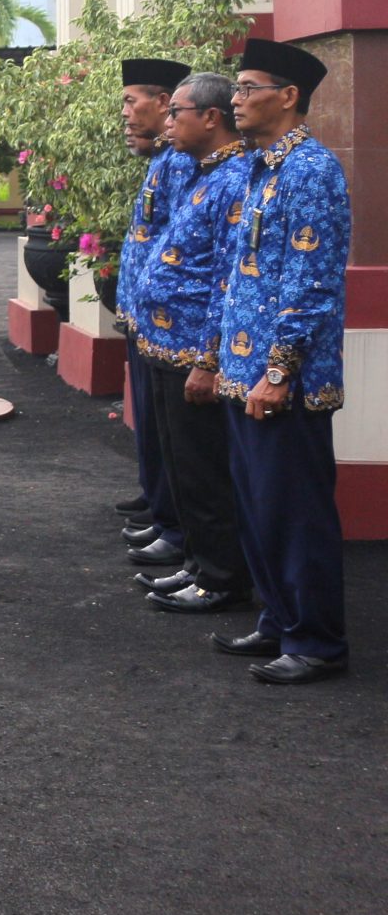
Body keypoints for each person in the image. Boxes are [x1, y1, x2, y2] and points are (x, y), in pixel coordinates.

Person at [209, 38, 351, 685]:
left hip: (284, 382)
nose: (235, 99)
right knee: (260, 509)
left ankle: (316, 641)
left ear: (288, 96)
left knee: (295, 514)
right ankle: (279, 620)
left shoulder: (311, 170)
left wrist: (278, 370)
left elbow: (310, 282)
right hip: (243, 373)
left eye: (247, 88)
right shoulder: (264, 167)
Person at [125, 71, 254, 614]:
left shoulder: (233, 178)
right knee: (183, 465)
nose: (168, 122)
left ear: (210, 117)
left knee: (204, 471)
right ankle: (199, 563)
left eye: (176, 112)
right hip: (166, 341)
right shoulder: (207, 173)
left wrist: (207, 357)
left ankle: (220, 576)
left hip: (192, 349)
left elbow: (227, 279)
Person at [110, 61, 192, 573]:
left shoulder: (180, 162)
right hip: (146, 314)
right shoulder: (163, 159)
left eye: (130, 100)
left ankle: (172, 520)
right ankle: (157, 500)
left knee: (172, 432)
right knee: (153, 422)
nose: (124, 112)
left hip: (170, 323)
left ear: (164, 103)